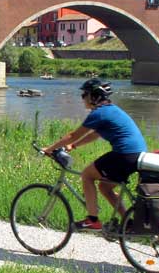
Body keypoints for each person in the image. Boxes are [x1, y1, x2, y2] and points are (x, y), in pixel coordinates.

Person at [42, 78, 146, 230]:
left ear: (94, 96)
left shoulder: (99, 113)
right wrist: (73, 146)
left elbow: (73, 134)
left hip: (124, 154)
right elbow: (95, 135)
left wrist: (50, 148)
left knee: (87, 175)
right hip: (136, 154)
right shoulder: (111, 110)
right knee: (105, 187)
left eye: (85, 94)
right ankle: (128, 222)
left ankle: (92, 220)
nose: (82, 98)